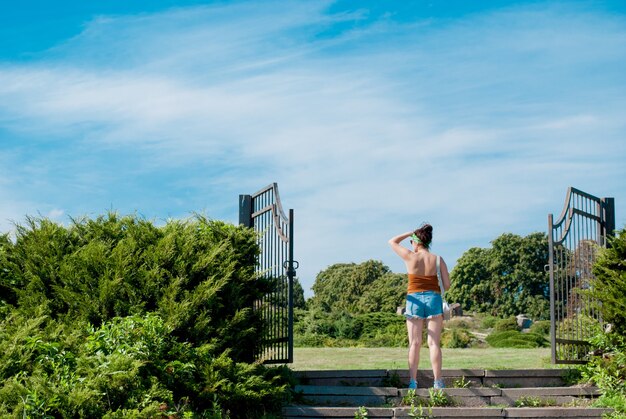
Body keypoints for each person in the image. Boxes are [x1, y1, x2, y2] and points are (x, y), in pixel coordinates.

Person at [388, 223, 450, 389]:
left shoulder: (409, 256)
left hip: (414, 299)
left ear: (415, 241)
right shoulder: (438, 259)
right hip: (434, 299)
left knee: (414, 343)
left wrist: (410, 233)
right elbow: (448, 285)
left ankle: (413, 382)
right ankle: (438, 382)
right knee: (434, 343)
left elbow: (392, 241)